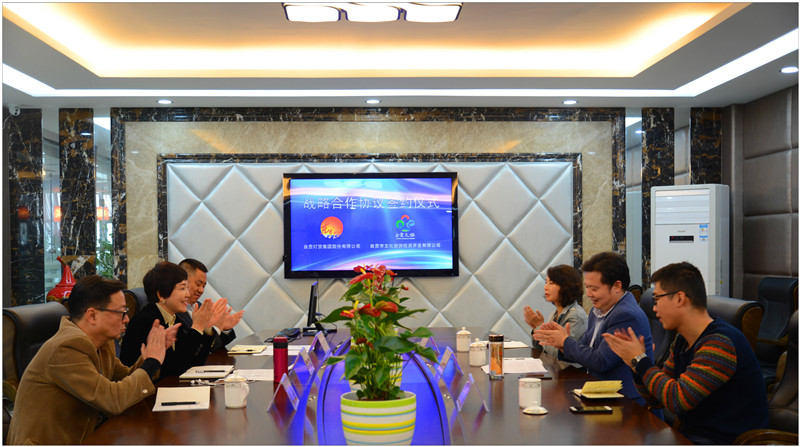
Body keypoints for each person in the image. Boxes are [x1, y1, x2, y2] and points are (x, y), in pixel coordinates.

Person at [602, 262, 768, 444]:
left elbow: (677, 400)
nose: (654, 308)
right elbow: (657, 400)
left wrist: (640, 361)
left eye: (657, 299)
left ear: (680, 298)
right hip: (691, 437)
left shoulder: (719, 343)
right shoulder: (682, 340)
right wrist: (635, 366)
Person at [7, 275, 179, 444]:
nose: (126, 319)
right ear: (92, 315)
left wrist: (149, 356)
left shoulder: (102, 343)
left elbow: (124, 379)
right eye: (121, 312)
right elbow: (113, 400)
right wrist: (152, 362)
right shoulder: (66, 348)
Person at [533, 251, 654, 406]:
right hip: (600, 394)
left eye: (594, 289)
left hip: (627, 404)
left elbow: (601, 361)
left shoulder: (626, 315)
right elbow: (585, 349)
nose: (589, 294)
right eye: (587, 287)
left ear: (617, 286)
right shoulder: (598, 310)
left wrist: (565, 341)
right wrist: (562, 344)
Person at [119, 261, 228, 377]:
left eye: (187, 288)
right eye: (182, 288)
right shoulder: (147, 321)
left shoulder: (173, 318)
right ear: (161, 295)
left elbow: (196, 362)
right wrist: (196, 328)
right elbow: (175, 369)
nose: (187, 294)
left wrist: (206, 328)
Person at [524, 264, 588, 368]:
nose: (545, 287)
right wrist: (536, 329)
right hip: (555, 368)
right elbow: (541, 349)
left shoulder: (576, 316)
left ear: (566, 287)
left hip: (571, 373)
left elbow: (558, 352)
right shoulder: (554, 313)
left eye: (551, 283)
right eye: (546, 282)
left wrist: (539, 326)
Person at [178, 258, 243, 351]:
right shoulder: (174, 311)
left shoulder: (200, 307)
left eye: (203, 286)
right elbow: (193, 348)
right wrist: (214, 328)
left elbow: (213, 346)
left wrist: (223, 329)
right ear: (183, 281)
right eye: (198, 284)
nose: (201, 290)